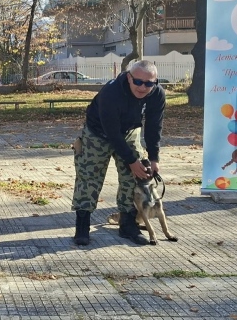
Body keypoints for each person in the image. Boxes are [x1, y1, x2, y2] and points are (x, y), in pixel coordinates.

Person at [71, 60, 166, 246]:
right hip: (98, 132)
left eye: (149, 83)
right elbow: (112, 131)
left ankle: (128, 223)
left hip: (130, 131)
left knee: (133, 177)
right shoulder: (111, 92)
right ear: (129, 78)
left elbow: (154, 126)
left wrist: (154, 158)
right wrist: (131, 160)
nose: (143, 87)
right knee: (89, 176)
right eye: (138, 82)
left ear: (155, 82)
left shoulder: (157, 94)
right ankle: (82, 225)